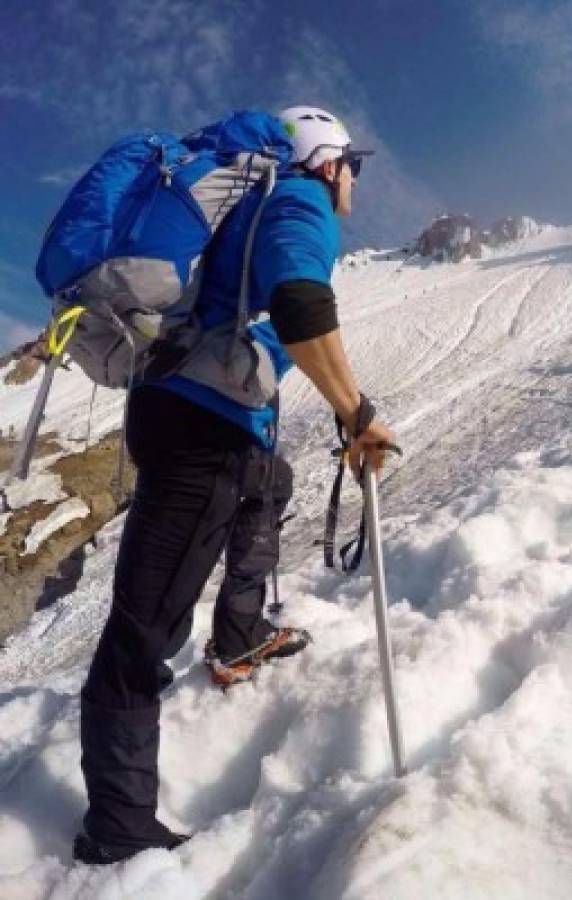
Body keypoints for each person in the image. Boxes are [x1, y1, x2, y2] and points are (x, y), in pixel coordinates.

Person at [75, 106, 394, 865]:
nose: (354, 179)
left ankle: (241, 634)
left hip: (189, 413)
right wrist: (356, 415)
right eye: (352, 163)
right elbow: (299, 305)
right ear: (326, 161)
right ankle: (117, 831)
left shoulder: (242, 204)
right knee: (139, 637)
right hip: (200, 432)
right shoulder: (300, 200)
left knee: (268, 484)